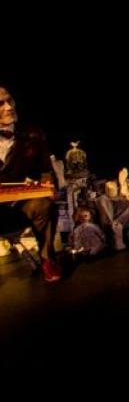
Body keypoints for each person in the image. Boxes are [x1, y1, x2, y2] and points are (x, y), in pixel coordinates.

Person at [0, 85, 62, 282]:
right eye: (0, 104)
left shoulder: (32, 135)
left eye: (10, 100)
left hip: (20, 203)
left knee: (44, 205)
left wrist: (48, 184)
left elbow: (45, 169)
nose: (9, 107)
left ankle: (47, 260)